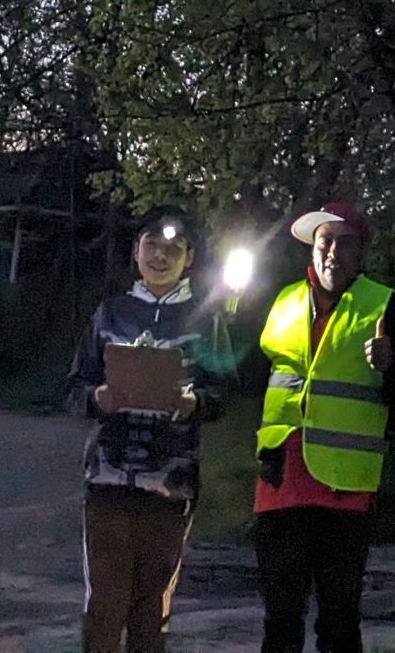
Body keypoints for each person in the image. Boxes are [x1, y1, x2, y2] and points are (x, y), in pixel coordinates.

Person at [252, 201, 395, 653]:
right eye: (324, 241)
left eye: (344, 243)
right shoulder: (284, 301)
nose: (332, 252)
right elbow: (248, 379)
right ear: (312, 249)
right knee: (280, 621)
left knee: (340, 621)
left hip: (344, 491)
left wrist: (393, 365)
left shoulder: (387, 306)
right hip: (280, 483)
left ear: (361, 251)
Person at [66, 206, 234, 653]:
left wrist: (193, 403)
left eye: (173, 249)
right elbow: (73, 387)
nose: (161, 256)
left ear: (189, 259)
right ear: (136, 252)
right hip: (107, 481)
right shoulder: (110, 314)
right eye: (152, 246)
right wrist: (95, 399)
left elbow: (224, 393)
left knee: (150, 609)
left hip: (170, 486)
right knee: (104, 605)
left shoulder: (205, 318)